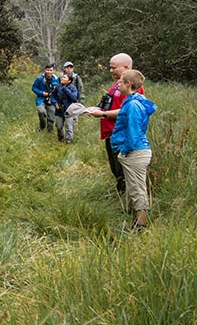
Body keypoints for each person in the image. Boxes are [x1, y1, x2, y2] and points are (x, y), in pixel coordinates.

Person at [85, 53, 144, 195]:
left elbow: (127, 111)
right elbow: (113, 105)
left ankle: (128, 202)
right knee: (116, 170)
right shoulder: (116, 85)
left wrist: (103, 114)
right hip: (111, 134)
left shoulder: (133, 87)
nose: (111, 71)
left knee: (124, 171)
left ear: (126, 67)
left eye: (113, 68)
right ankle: (121, 196)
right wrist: (98, 109)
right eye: (110, 68)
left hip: (123, 135)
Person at [110, 70, 156, 229]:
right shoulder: (132, 101)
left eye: (121, 82)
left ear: (128, 84)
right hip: (134, 151)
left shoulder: (134, 105)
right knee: (134, 188)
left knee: (138, 190)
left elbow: (134, 132)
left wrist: (125, 149)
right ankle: (136, 220)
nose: (118, 84)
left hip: (135, 152)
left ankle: (140, 226)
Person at [31, 64, 59, 133]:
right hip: (41, 99)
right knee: (41, 111)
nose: (49, 72)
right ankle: (42, 126)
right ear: (45, 70)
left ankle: (49, 131)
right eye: (47, 70)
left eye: (51, 70)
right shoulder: (39, 79)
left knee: (51, 118)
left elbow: (59, 90)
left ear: (53, 71)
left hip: (52, 100)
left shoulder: (56, 79)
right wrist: (42, 93)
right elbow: (34, 88)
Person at [51, 73, 79, 143]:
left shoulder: (73, 88)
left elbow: (74, 98)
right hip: (59, 110)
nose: (62, 78)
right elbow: (52, 97)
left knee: (69, 127)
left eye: (64, 78)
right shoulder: (57, 87)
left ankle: (68, 141)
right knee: (59, 126)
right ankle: (60, 138)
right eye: (62, 77)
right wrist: (55, 104)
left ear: (69, 81)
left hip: (69, 110)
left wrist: (65, 89)